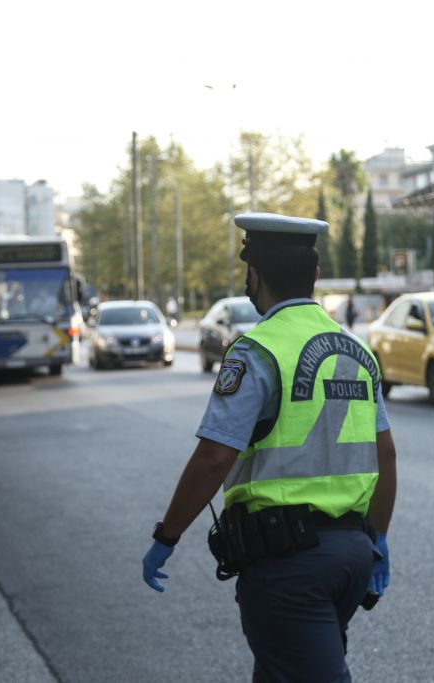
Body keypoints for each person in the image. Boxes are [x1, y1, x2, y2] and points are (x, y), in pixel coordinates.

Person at [142, 212, 398, 682]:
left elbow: (214, 458)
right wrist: (378, 537)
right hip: (353, 556)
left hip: (290, 566)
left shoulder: (257, 350)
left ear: (254, 275)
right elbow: (386, 455)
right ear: (315, 274)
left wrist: (167, 536)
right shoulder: (356, 350)